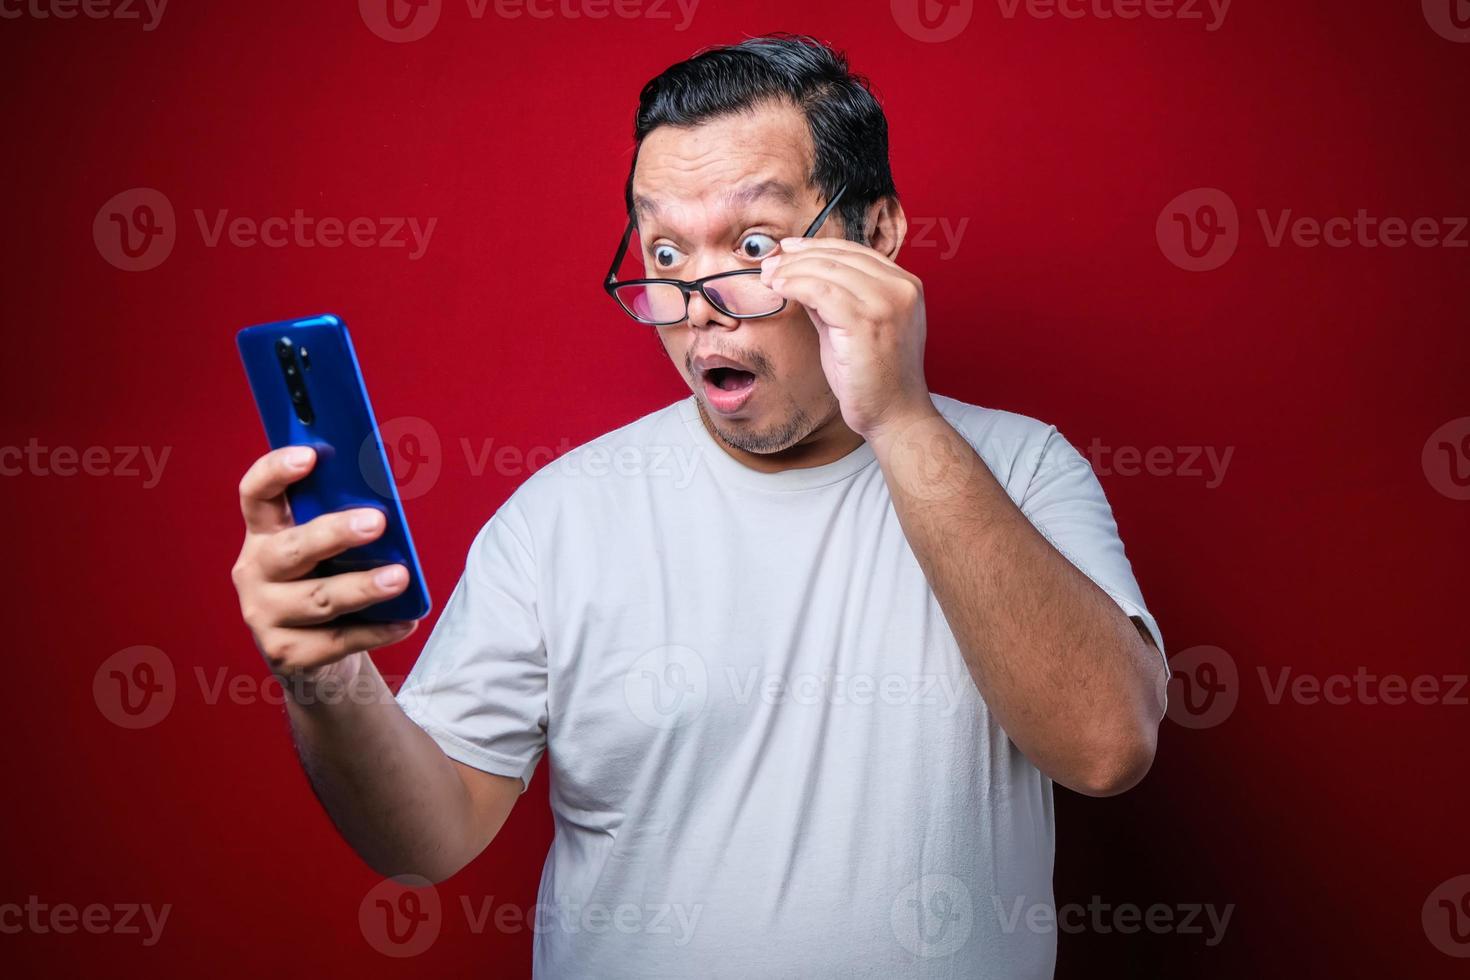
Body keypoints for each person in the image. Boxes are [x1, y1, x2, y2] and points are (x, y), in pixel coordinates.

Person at [230, 34, 1168, 978]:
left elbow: (1104, 747)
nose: (697, 303)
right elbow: (424, 839)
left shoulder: (1023, 466)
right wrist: (326, 680)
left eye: (754, 246)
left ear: (876, 235)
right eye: (667, 251)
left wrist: (898, 415)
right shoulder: (558, 519)